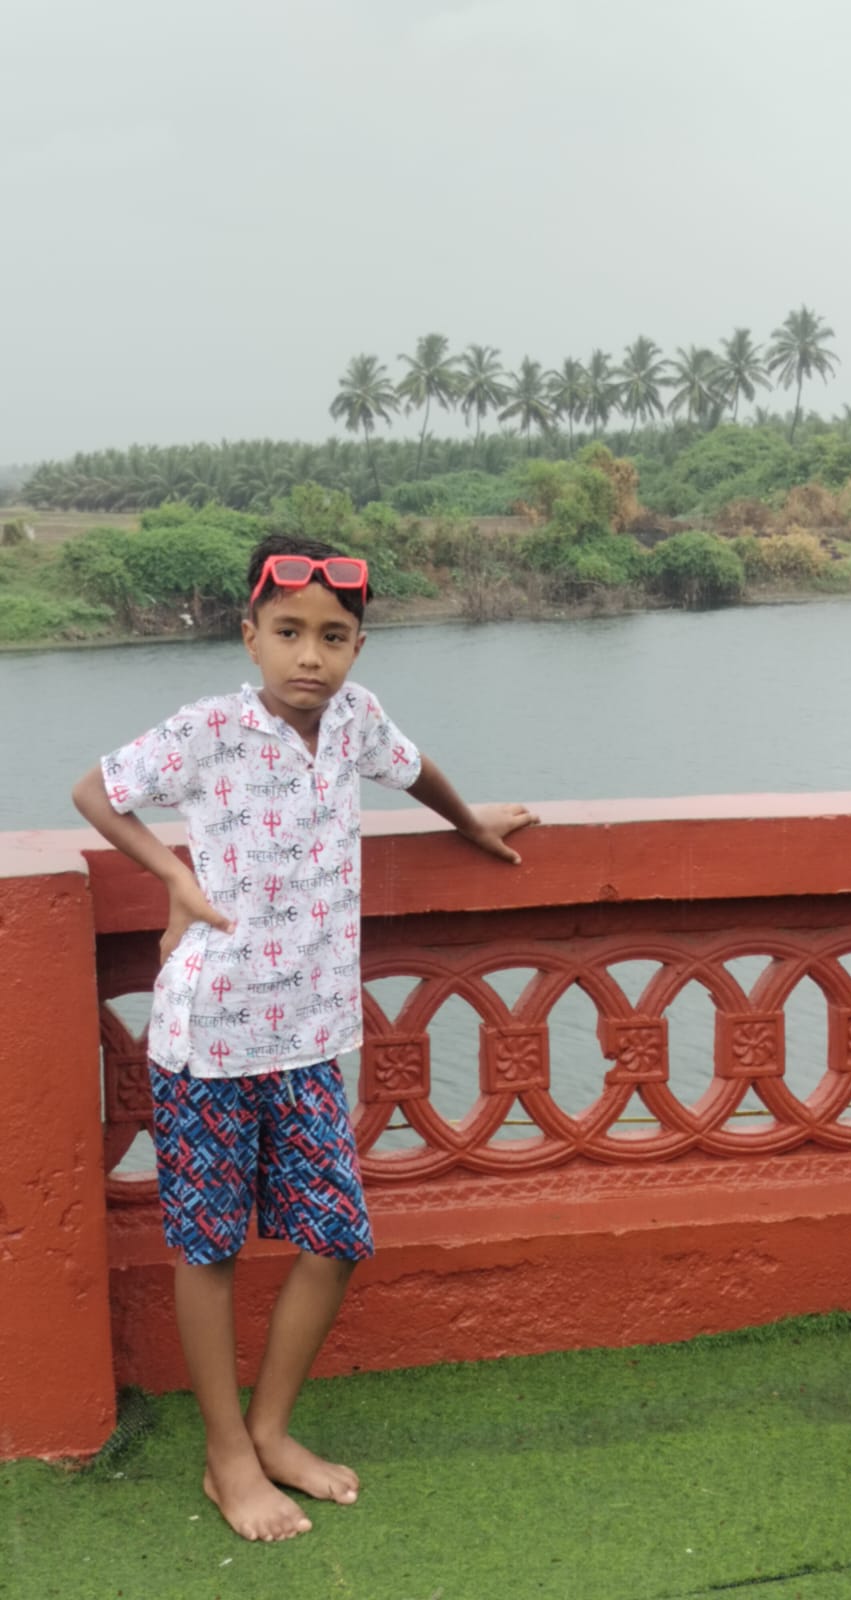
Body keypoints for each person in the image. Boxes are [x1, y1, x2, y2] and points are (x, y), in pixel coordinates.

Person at [72, 532, 538, 1545]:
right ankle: (225, 1455)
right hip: (208, 1036)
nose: (310, 656)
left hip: (311, 1037)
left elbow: (414, 768)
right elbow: (96, 791)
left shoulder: (356, 721)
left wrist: (467, 821)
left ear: (357, 648)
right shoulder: (211, 729)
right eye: (287, 632)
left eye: (332, 637)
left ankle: (271, 1430)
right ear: (250, 635)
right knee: (209, 1247)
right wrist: (175, 876)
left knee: (335, 1237)